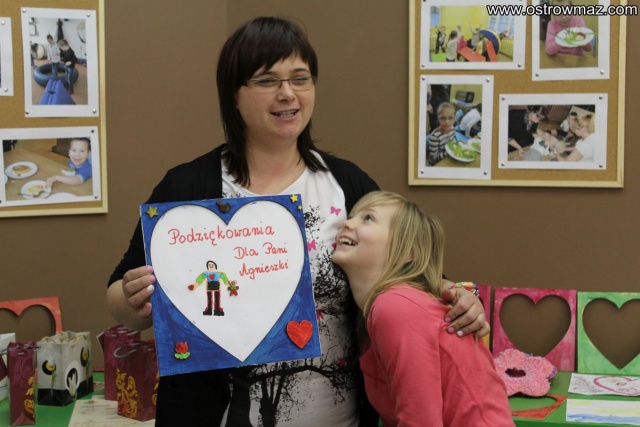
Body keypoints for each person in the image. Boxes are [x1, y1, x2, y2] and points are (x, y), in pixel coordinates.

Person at [106, 17, 488, 426]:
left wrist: (457, 296)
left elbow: (409, 273)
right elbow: (120, 297)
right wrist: (133, 302)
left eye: (300, 78)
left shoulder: (347, 185)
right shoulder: (186, 187)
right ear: (234, 94)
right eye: (267, 80)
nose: (287, 93)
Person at [332, 191, 514, 426]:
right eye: (352, 216)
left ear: (407, 252)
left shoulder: (396, 307)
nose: (346, 223)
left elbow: (420, 420)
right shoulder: (383, 308)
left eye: (368, 218)